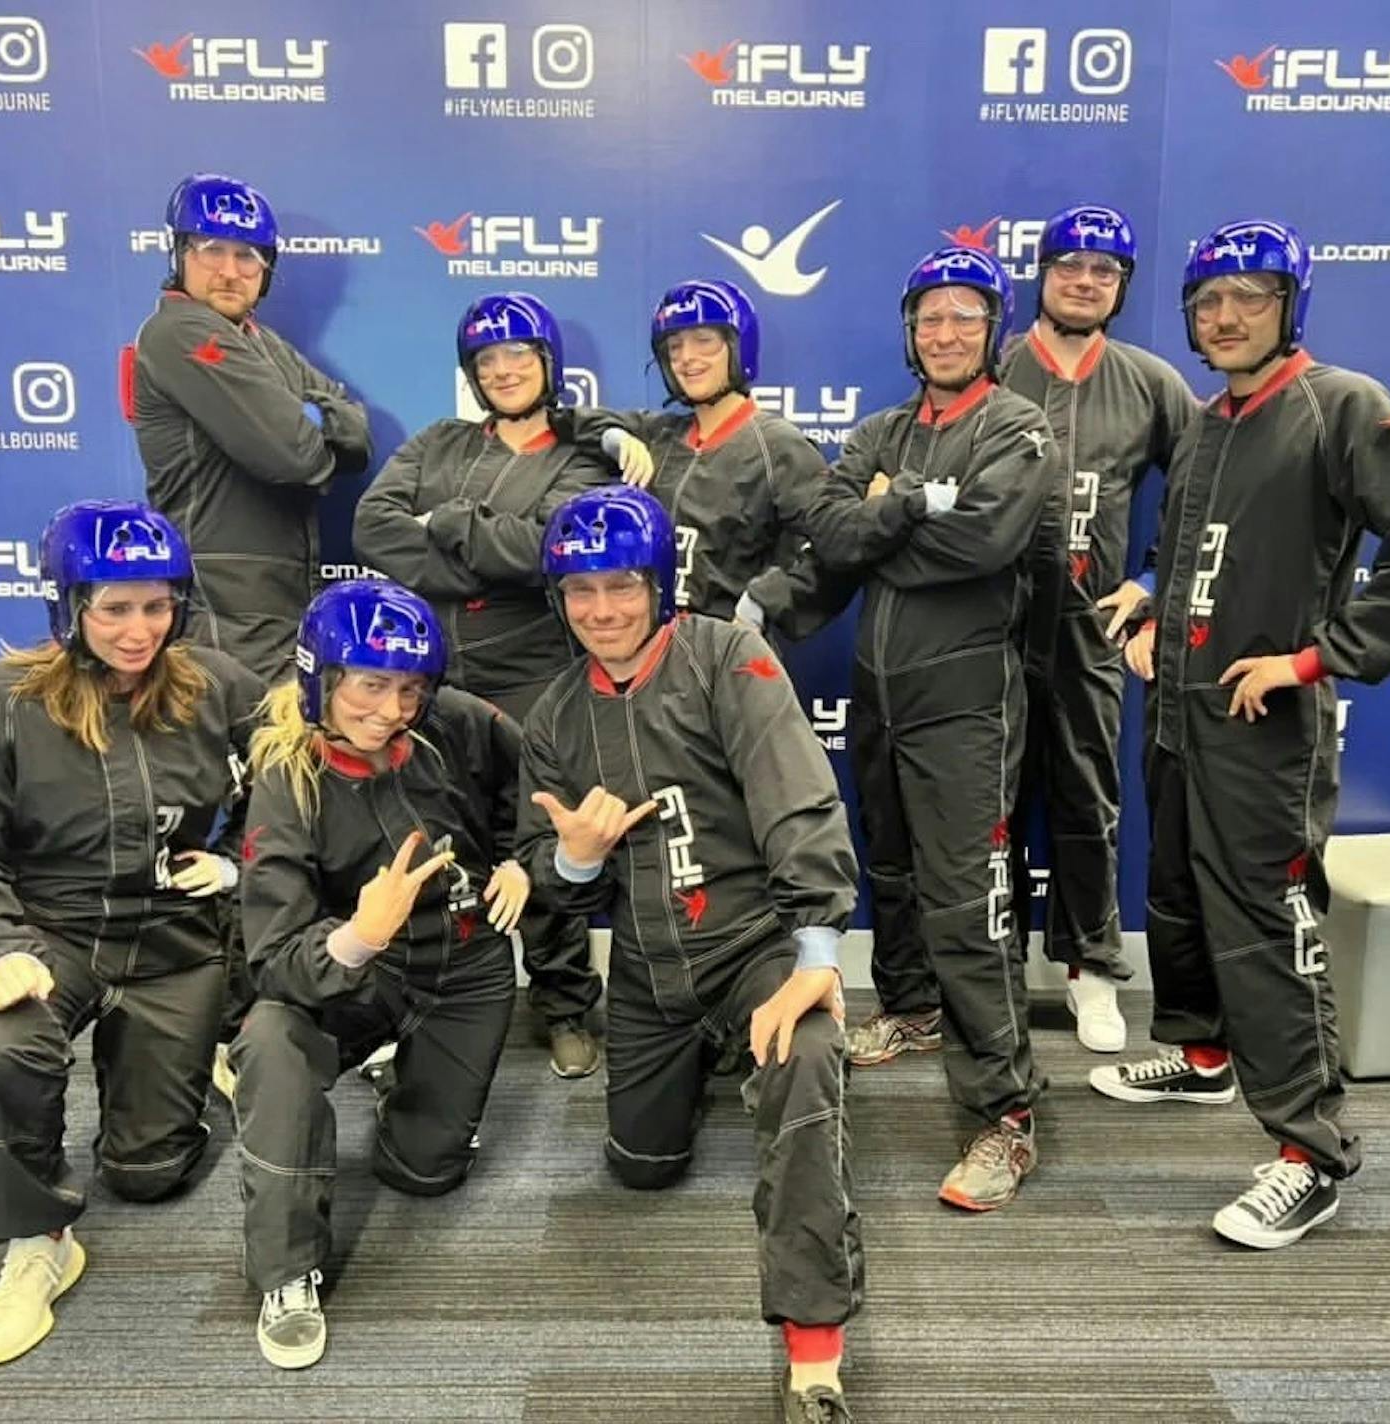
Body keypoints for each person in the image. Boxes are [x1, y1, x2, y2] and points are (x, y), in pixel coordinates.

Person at [1097, 219, 1390, 1248]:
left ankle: (1310, 1150)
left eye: (1248, 299)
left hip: (1267, 730)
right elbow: (1192, 550)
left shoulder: (1339, 405)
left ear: (1289, 307)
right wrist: (1149, 613)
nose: (1223, 318)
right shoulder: (1210, 418)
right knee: (1174, 893)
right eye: (1208, 302)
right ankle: (1203, 1052)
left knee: (1270, 927)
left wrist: (1312, 658)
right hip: (1181, 706)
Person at [517, 487, 864, 1423]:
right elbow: (541, 878)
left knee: (808, 1052)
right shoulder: (553, 714)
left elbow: (799, 801)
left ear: (659, 584)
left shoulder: (726, 654)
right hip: (647, 971)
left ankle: (813, 1351)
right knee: (641, 1164)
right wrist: (572, 860)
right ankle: (717, 1055)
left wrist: (818, 952)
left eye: (622, 585)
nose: (602, 610)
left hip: (753, 945)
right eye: (580, 589)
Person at [0, 499, 261, 1365]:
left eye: (156, 605)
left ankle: (185, 1073)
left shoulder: (220, 685)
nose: (139, 629)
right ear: (68, 607)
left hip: (175, 946)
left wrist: (242, 869)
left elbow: (303, 785)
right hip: (49, 940)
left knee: (148, 1178)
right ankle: (37, 1243)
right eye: (114, 608)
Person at [796, 245, 1058, 1213]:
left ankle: (1005, 1115)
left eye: (963, 316)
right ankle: (908, 1009)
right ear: (909, 331)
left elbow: (984, 540)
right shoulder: (881, 429)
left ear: (991, 328)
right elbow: (829, 530)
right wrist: (904, 509)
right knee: (893, 866)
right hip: (881, 690)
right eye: (928, 318)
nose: (944, 333)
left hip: (966, 700)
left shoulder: (1018, 425)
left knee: (968, 906)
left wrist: (882, 526)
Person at [229, 579, 525, 1367]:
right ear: (321, 678)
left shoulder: (455, 727)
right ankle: (286, 1272)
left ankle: (400, 1073)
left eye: (408, 687)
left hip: (465, 970)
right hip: (346, 980)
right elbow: (275, 959)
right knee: (269, 1038)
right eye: (369, 683)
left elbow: (537, 789)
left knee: (425, 1175)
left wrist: (525, 860)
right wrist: (359, 935)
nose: (391, 708)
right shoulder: (286, 783)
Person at [353, 291, 619, 1079]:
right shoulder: (438, 442)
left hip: (534, 669)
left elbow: (553, 553)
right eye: (489, 361)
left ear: (548, 366)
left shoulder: (582, 458)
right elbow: (374, 526)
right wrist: (480, 556)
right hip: (431, 674)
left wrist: (450, 525)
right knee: (420, 831)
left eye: (519, 358)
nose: (504, 372)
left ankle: (566, 1001)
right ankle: (414, 1001)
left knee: (538, 833)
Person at [995, 203, 1199, 1053]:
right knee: (986, 808)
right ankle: (988, 973)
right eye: (1070, 265)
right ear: (1040, 274)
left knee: (1086, 800)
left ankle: (1088, 969)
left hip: (1090, 629)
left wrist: (1153, 586)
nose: (1085, 282)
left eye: (1104, 272)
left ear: (1121, 288)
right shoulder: (992, 367)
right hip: (992, 626)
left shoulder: (1152, 383)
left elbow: (1207, 492)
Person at [127, 172, 373, 687]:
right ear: (178, 254)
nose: (229, 271)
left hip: (279, 605)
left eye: (247, 256)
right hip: (218, 608)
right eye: (211, 250)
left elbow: (355, 429)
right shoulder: (179, 330)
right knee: (238, 757)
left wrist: (317, 420)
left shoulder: (262, 343)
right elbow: (295, 455)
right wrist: (308, 425)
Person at [562, 278, 841, 637]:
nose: (687, 358)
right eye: (674, 347)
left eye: (704, 341)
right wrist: (616, 439)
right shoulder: (661, 433)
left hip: (728, 658)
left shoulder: (779, 447)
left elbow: (832, 550)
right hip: (648, 652)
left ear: (737, 347)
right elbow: (571, 421)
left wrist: (763, 604)